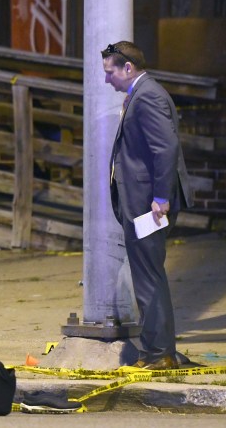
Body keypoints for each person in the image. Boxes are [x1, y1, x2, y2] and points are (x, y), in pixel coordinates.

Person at [101, 41, 194, 370]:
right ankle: (161, 348)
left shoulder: (148, 95)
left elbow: (164, 149)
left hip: (147, 205)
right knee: (150, 274)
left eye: (110, 72)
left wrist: (160, 197)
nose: (107, 79)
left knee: (148, 276)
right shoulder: (142, 94)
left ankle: (159, 354)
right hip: (144, 202)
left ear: (128, 68)